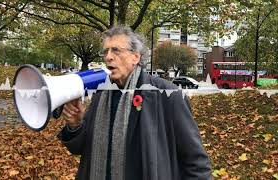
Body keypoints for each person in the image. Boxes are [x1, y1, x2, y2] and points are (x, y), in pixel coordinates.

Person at [57, 26, 211, 180]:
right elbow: (80, 148)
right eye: (106, 51)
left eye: (116, 50)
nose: (108, 57)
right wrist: (75, 125)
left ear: (135, 57)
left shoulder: (167, 95)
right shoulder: (100, 94)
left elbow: (196, 161)